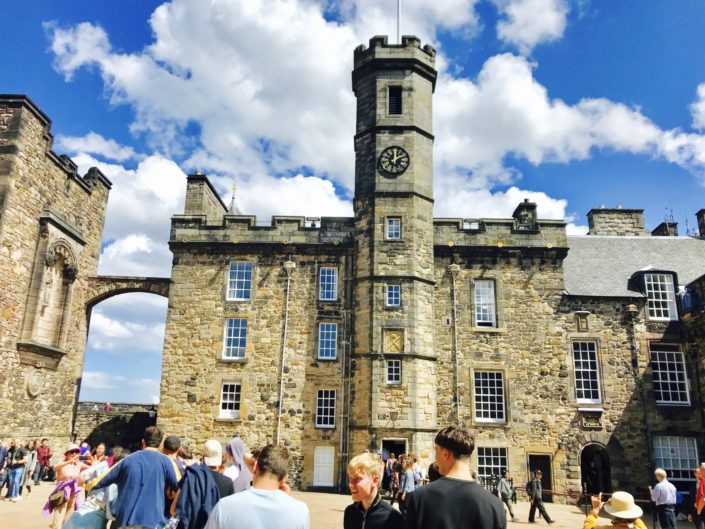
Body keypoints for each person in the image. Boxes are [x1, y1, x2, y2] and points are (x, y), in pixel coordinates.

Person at [404, 426, 506, 529]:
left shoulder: (421, 497)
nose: (435, 458)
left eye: (436, 451)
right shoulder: (495, 505)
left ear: (445, 454)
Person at [92, 426, 178, 529]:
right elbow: (181, 487)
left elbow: (97, 481)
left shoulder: (126, 460)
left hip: (124, 521)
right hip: (152, 521)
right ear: (160, 444)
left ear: (143, 441)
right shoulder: (167, 462)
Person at [205, 444, 309, 529]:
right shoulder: (300, 511)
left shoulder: (224, 506)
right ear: (284, 478)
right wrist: (287, 500)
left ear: (255, 467)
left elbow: (246, 457)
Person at [63, 447, 129, 529]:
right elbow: (113, 509)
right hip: (94, 516)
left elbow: (82, 477)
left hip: (84, 511)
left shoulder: (103, 466)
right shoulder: (114, 479)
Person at [344, 452, 404, 529]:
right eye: (350, 478)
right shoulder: (350, 513)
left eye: (357, 479)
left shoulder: (392, 518)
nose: (351, 484)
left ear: (374, 480)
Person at [45, 443, 90, 529]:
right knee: (59, 516)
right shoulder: (63, 463)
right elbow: (55, 468)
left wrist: (93, 461)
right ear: (67, 454)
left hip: (73, 493)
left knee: (68, 516)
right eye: (72, 452)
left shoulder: (79, 464)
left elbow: (92, 468)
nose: (74, 454)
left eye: (76, 452)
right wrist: (69, 462)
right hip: (62, 493)